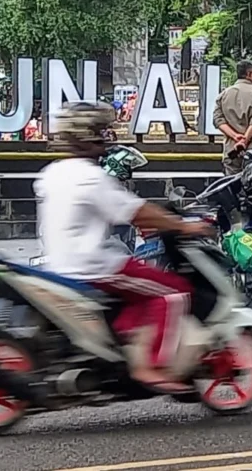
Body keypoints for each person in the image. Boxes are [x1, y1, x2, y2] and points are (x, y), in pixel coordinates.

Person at [36, 102, 212, 390]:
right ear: (88, 135)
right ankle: (150, 366)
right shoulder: (91, 177)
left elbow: (106, 213)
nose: (107, 137)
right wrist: (184, 226)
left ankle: (127, 342)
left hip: (57, 265)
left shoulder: (53, 173)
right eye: (102, 131)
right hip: (93, 266)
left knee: (140, 287)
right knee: (174, 293)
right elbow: (137, 211)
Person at [213, 61, 252, 175]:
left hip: (231, 150)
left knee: (232, 186)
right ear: (249, 74)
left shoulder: (223, 95)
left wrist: (235, 136)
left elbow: (218, 120)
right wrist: (244, 140)